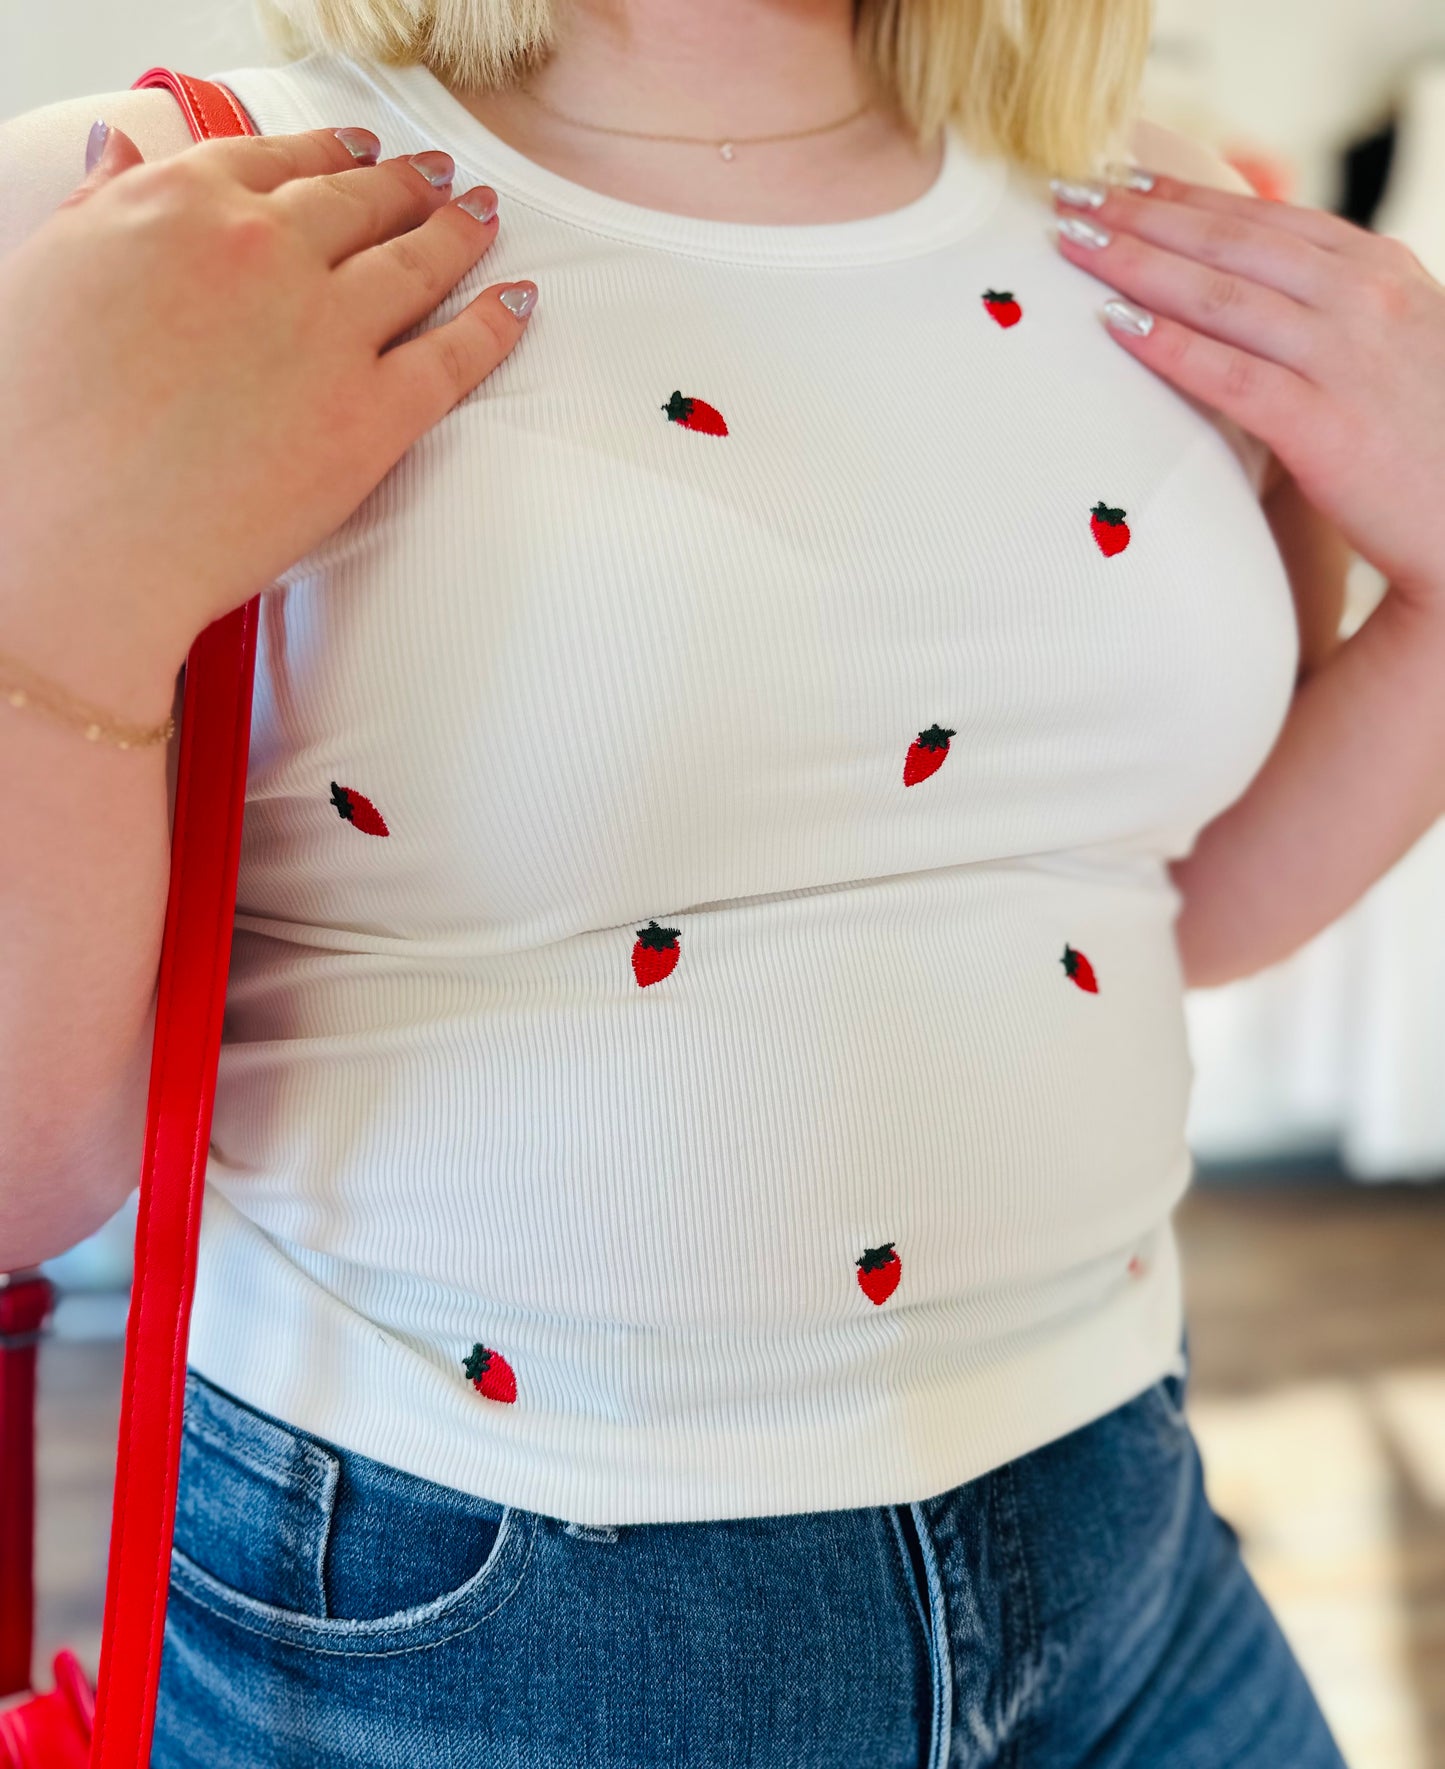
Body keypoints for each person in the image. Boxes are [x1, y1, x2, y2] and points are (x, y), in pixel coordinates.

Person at [3, 0, 1443, 1761]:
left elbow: (1164, 906)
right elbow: (22, 1180)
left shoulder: (1151, 202)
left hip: (1127, 1545)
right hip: (479, 1635)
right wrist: (57, 598)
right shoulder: (145, 201)